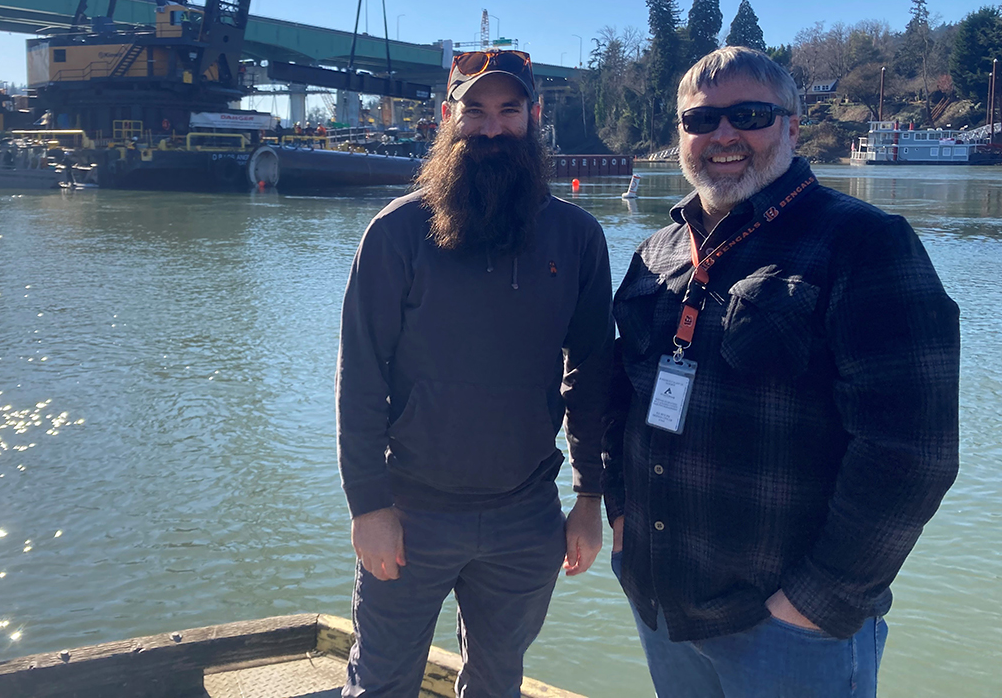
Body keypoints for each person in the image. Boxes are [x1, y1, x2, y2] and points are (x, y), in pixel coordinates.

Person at [606, 47, 959, 698]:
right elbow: (622, 397)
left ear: (792, 127)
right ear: (681, 135)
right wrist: (622, 519)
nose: (724, 135)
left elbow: (914, 452)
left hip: (787, 627)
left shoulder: (864, 243)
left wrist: (816, 601)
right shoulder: (655, 252)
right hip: (662, 597)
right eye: (701, 120)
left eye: (749, 115)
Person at [336, 49, 618, 698]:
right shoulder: (396, 233)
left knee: (498, 686)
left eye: (509, 111)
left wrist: (590, 497)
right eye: (476, 111)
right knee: (379, 683)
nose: (492, 128)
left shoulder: (576, 236)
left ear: (534, 118)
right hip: (411, 512)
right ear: (447, 117)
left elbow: (591, 374)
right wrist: (368, 505)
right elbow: (359, 378)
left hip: (526, 518)